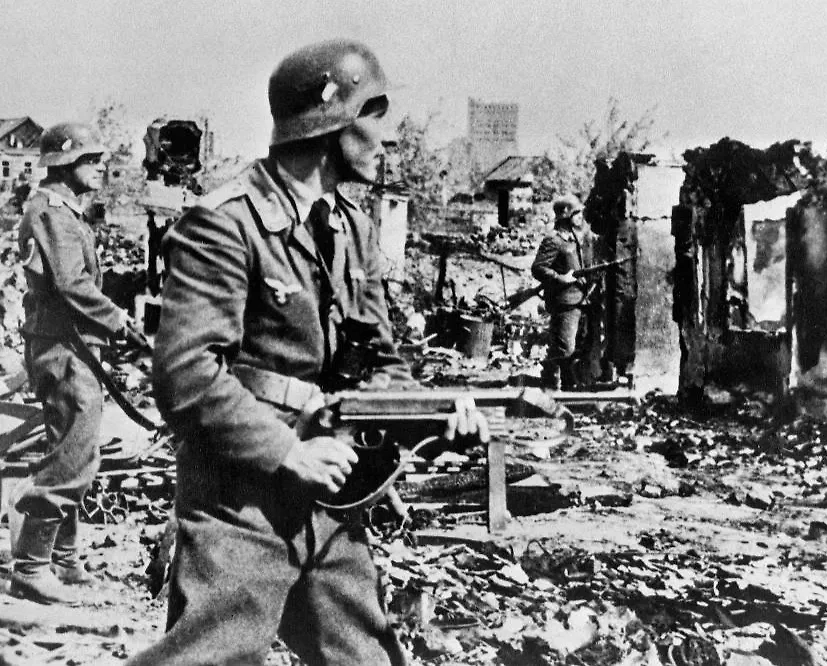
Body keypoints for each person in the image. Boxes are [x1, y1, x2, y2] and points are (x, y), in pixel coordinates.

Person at [127, 39, 488, 666]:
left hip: (332, 499)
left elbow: (379, 365)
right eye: (374, 116)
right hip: (241, 502)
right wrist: (288, 452)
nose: (387, 138)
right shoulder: (224, 224)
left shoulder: (352, 228)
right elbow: (186, 374)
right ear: (330, 123)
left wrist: (435, 417)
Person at [11, 122, 145, 604]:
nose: (100, 168)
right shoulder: (52, 212)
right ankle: (32, 567)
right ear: (65, 163)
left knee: (77, 450)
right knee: (70, 453)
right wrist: (119, 321)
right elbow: (71, 285)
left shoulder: (64, 211)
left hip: (71, 345)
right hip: (63, 348)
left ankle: (63, 561)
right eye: (91, 160)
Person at [531, 193, 599, 390]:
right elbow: (538, 268)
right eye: (576, 213)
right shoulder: (553, 240)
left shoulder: (577, 237)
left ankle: (569, 385)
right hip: (565, 301)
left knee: (580, 346)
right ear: (565, 215)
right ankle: (552, 381)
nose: (580, 217)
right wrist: (561, 278)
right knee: (564, 348)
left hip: (582, 299)